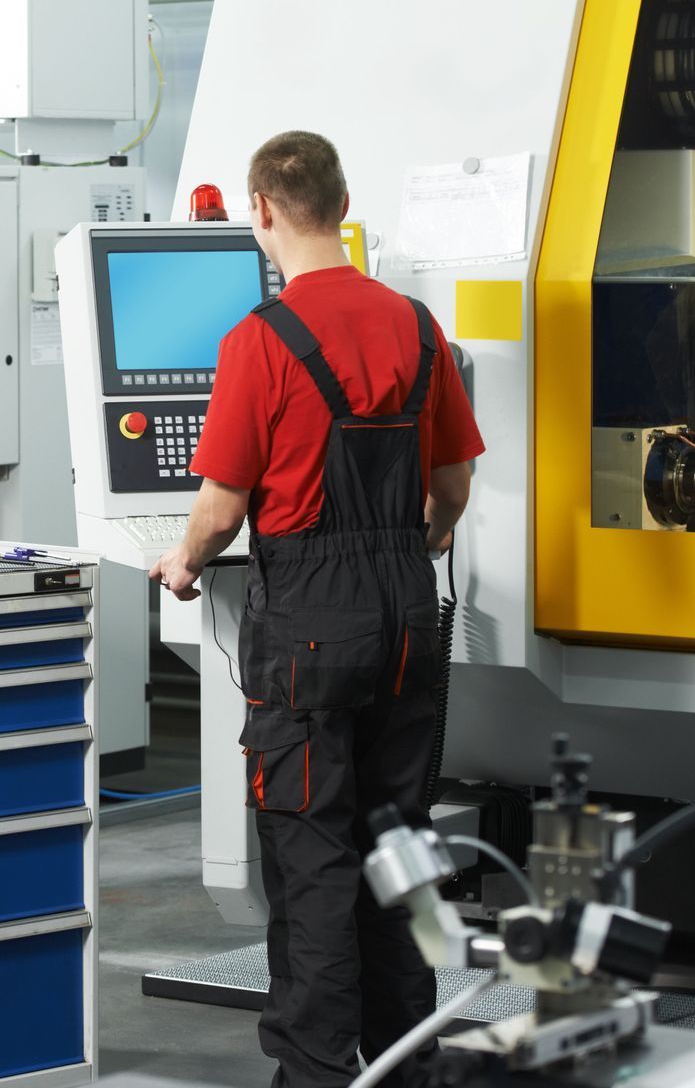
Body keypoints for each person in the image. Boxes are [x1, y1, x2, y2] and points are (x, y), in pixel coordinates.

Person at [150, 131, 482, 1087]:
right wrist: (414, 543)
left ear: (261, 209)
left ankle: (315, 1073)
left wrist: (183, 560)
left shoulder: (263, 339)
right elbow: (452, 485)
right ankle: (405, 1063)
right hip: (408, 621)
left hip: (306, 631)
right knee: (397, 848)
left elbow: (220, 508)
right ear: (341, 203)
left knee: (313, 860)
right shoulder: (418, 326)